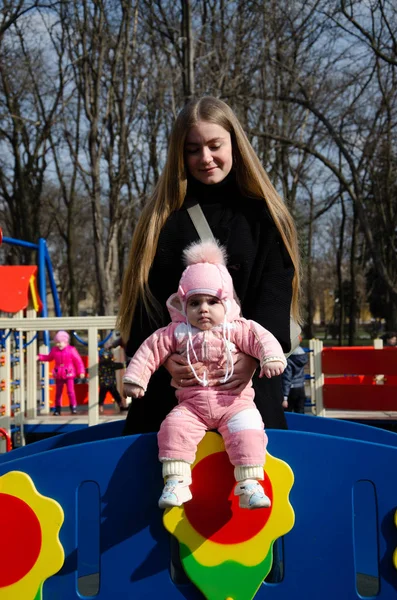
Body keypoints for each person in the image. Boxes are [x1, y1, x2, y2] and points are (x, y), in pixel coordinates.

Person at [117, 96, 301, 437]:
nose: (205, 158)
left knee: (253, 485)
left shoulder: (264, 216)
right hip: (172, 393)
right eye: (192, 149)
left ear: (235, 144)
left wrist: (252, 358)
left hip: (248, 390)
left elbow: (274, 296)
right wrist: (165, 363)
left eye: (215, 145)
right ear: (180, 154)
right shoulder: (162, 219)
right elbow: (145, 304)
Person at [123, 240, 286, 509]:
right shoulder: (176, 332)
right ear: (182, 305)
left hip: (234, 402)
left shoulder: (237, 328)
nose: (204, 309)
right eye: (195, 302)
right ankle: (176, 481)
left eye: (212, 301)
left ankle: (250, 483)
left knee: (248, 430)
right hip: (192, 405)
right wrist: (135, 378)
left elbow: (262, 338)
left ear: (227, 304)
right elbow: (150, 349)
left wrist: (269, 358)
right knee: (173, 428)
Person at [37, 330, 85, 416]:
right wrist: (40, 357)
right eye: (57, 343)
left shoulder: (71, 350)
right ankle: (57, 408)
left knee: (70, 391)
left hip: (69, 373)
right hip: (58, 373)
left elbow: (78, 361)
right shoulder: (55, 350)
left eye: (60, 342)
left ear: (66, 342)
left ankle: (73, 407)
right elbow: (49, 357)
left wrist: (81, 371)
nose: (58, 344)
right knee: (58, 393)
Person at [281, 338, 308, 414]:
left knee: (288, 413)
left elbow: (287, 378)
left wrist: (285, 397)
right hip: (301, 387)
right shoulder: (302, 356)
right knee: (300, 412)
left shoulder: (289, 360)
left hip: (291, 389)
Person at [98, 349, 128, 414]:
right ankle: (121, 406)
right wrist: (128, 363)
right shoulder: (111, 364)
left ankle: (100, 408)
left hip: (104, 384)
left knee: (102, 397)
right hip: (111, 384)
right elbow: (122, 365)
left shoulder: (100, 365)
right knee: (116, 395)